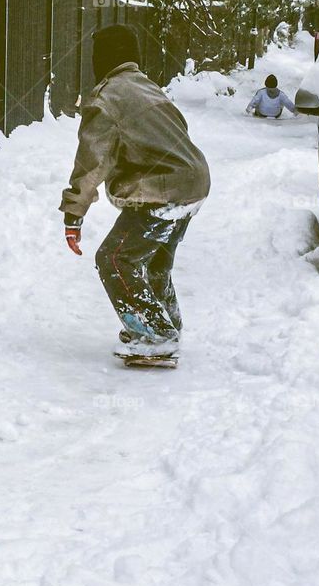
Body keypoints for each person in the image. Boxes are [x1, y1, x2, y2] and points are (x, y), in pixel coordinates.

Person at [61, 24, 211, 361]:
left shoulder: (108, 98)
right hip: (194, 185)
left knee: (114, 258)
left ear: (103, 58)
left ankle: (155, 335)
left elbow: (91, 161)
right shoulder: (147, 87)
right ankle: (165, 326)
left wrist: (74, 214)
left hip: (164, 190)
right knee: (154, 261)